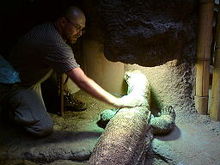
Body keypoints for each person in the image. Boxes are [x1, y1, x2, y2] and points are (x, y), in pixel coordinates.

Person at [0, 6, 142, 137]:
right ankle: (7, 110)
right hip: (14, 84)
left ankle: (35, 102)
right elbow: (82, 81)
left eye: (82, 29)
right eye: (77, 28)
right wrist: (117, 102)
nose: (80, 33)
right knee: (43, 127)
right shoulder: (54, 43)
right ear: (63, 22)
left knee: (68, 68)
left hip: (26, 76)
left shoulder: (51, 30)